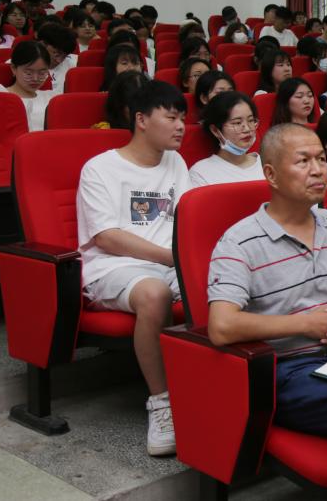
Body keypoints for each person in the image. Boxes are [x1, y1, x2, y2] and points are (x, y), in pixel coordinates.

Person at [206, 123, 327, 439]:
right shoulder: (239, 242)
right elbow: (221, 326)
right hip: (286, 370)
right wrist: (306, 324)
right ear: (271, 174)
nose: (319, 170)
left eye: (321, 159)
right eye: (303, 161)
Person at [76, 80, 190, 456]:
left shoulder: (175, 162)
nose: (181, 126)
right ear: (141, 119)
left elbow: (187, 220)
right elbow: (107, 237)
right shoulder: (100, 168)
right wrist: (173, 258)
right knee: (155, 294)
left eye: (183, 118)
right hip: (114, 267)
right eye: (171, 117)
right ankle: (162, 404)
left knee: (230, 281)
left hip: (169, 263)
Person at [189, 92, 264, 188]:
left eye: (251, 120)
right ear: (215, 130)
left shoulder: (267, 163)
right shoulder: (201, 173)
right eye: (237, 123)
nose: (247, 129)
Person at [0, 41, 55, 131]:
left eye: (42, 73)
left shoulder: (52, 99)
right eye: (28, 73)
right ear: (14, 68)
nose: (35, 78)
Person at [38, 22, 77, 94]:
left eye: (64, 56)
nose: (59, 61)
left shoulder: (76, 63)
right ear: (42, 45)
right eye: (56, 54)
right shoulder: (23, 67)